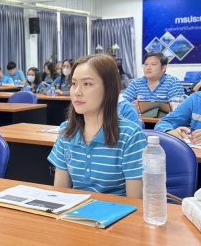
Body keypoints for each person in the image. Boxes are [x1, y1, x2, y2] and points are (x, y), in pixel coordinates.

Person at [48, 54, 147, 198]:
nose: (77, 92)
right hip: (76, 215)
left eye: (87, 84)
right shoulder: (66, 131)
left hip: (117, 216)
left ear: (109, 89)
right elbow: (60, 195)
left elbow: (136, 204)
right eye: (74, 84)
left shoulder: (131, 136)